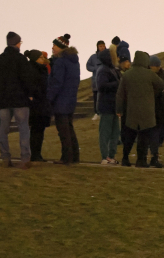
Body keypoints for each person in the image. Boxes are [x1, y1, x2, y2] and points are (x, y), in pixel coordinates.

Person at [0, 32, 36, 168]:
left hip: (3, 101)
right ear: (17, 43)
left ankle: (5, 157)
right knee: (23, 129)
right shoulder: (21, 59)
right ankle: (25, 158)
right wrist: (30, 94)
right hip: (20, 100)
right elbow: (27, 79)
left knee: (3, 130)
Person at [116, 50, 164, 168]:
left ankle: (125, 158)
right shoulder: (150, 74)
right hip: (147, 111)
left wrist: (119, 109)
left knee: (129, 136)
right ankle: (141, 160)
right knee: (143, 137)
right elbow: (161, 86)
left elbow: (120, 94)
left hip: (131, 110)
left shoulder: (127, 74)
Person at [48, 34, 81, 165]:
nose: (52, 48)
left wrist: (49, 97)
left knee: (63, 130)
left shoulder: (61, 61)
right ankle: (74, 156)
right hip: (71, 99)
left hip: (61, 100)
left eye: (54, 45)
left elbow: (57, 82)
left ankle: (67, 157)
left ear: (61, 47)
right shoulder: (74, 61)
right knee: (69, 128)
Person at [24, 50, 51, 162]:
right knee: (36, 129)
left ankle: (37, 153)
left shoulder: (42, 69)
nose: (42, 59)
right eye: (40, 57)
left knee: (40, 130)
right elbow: (31, 86)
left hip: (42, 103)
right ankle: (34, 154)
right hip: (36, 104)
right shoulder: (32, 70)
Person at [96, 48, 121, 165]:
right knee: (105, 132)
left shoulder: (112, 69)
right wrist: (117, 84)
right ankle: (104, 156)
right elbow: (101, 86)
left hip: (113, 105)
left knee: (115, 132)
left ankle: (111, 156)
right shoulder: (103, 70)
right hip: (106, 105)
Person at [150, 55, 164, 150]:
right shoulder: (149, 75)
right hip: (152, 105)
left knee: (161, 125)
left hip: (161, 105)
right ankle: (154, 141)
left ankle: (159, 141)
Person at [86, 40, 106, 121]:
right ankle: (97, 113)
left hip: (105, 80)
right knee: (96, 97)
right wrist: (94, 69)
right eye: (100, 46)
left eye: (103, 46)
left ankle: (104, 113)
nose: (102, 47)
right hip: (95, 81)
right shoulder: (93, 57)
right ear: (97, 47)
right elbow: (88, 65)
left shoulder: (108, 55)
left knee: (104, 97)